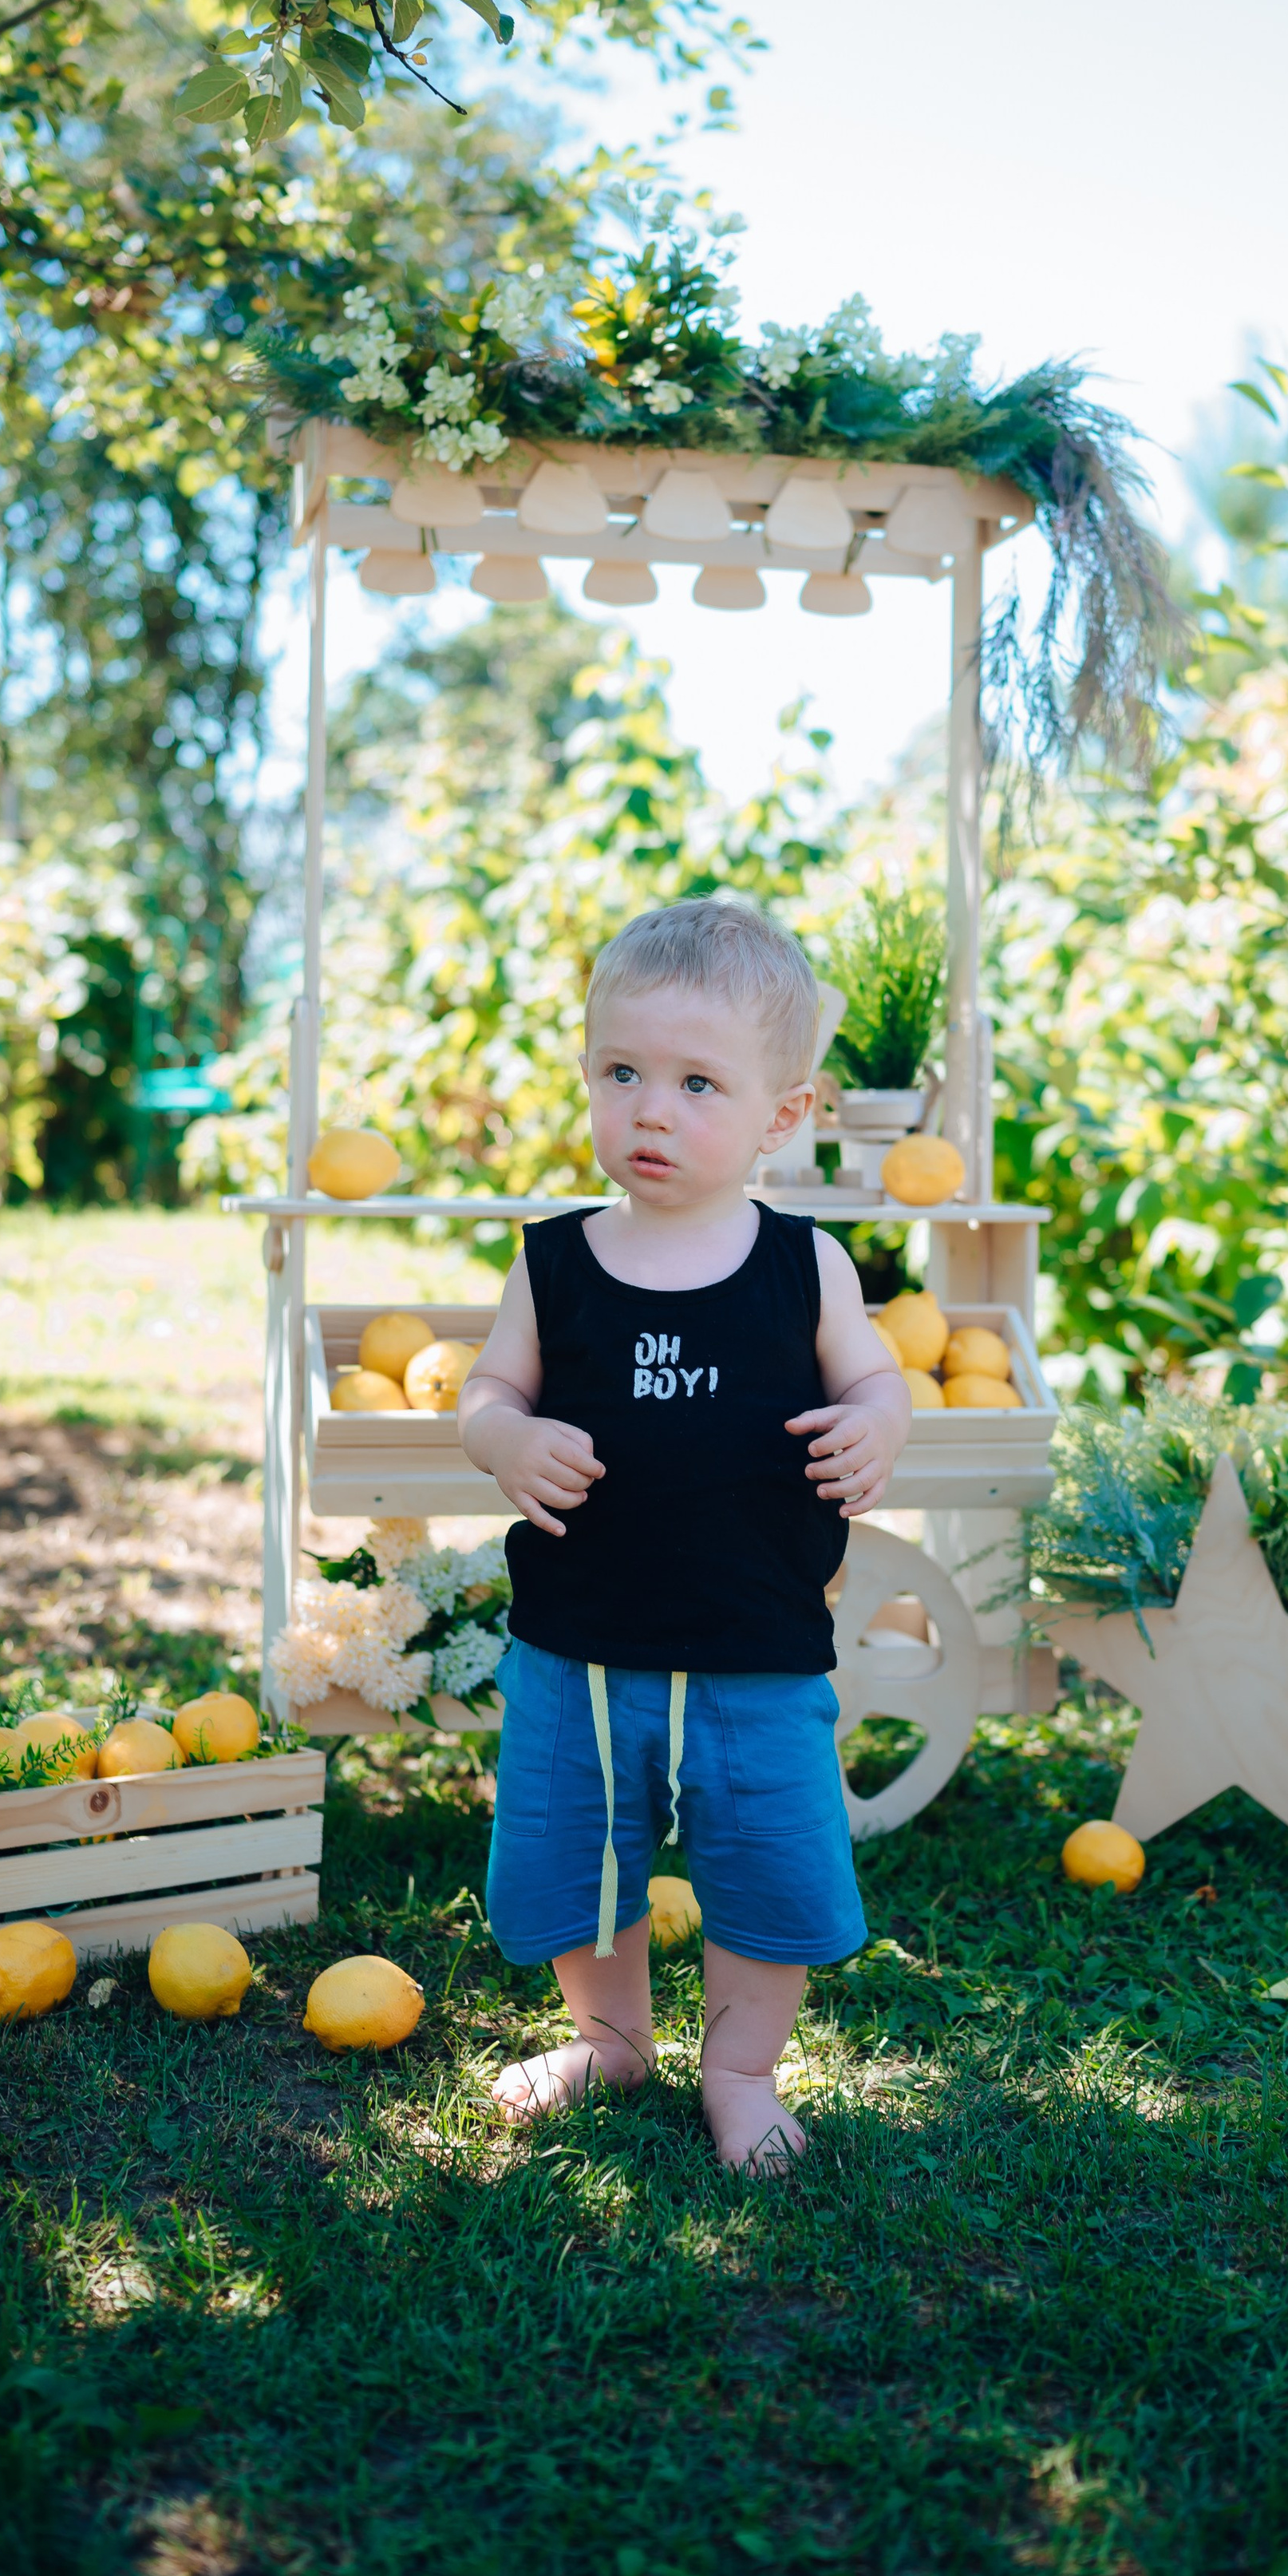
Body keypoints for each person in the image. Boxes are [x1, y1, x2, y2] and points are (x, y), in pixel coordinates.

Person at [457, 897, 911, 2172]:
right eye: (622, 1073)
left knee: (765, 1865)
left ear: (782, 1115)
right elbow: (490, 1390)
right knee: (576, 1858)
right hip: (579, 1644)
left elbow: (878, 1379)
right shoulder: (556, 1265)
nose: (650, 1110)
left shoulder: (803, 1265)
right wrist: (505, 1438)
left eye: (698, 1083)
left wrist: (881, 1425)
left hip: (758, 1646)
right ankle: (607, 2039)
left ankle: (742, 2068)